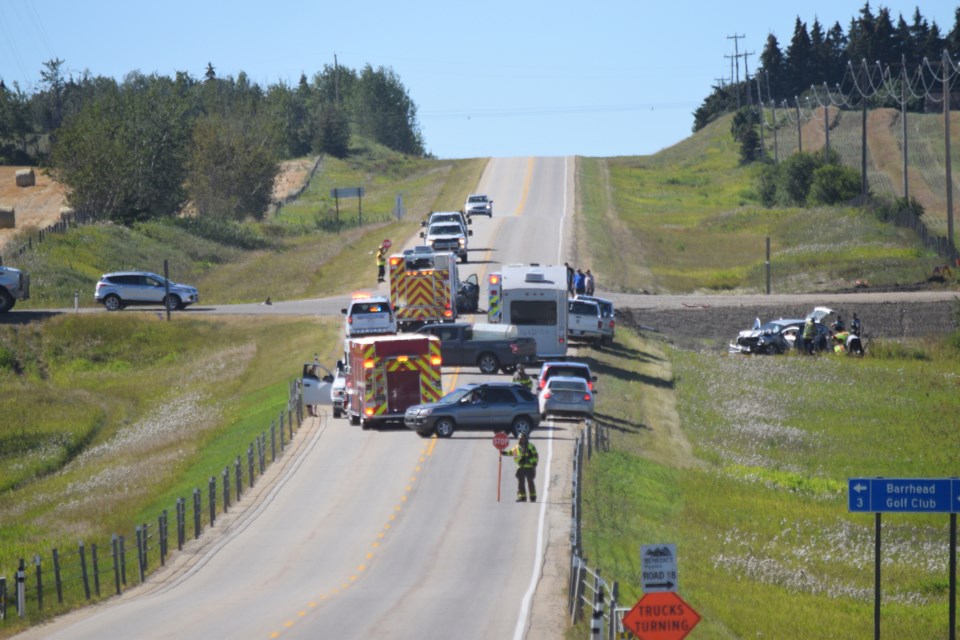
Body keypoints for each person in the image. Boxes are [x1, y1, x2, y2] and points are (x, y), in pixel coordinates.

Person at [501, 433, 538, 502]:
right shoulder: (516, 447)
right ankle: (522, 497)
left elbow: (535, 456)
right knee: (520, 483)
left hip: (529, 468)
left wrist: (532, 461)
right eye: (521, 439)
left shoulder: (531, 447)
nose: (522, 440)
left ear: (526, 439)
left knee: (530, 482)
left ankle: (533, 497)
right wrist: (503, 453)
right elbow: (510, 453)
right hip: (520, 468)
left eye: (523, 438)